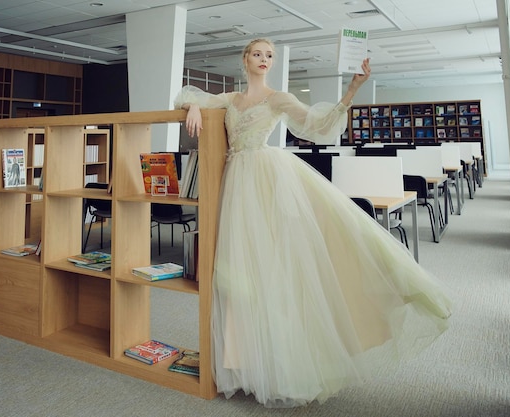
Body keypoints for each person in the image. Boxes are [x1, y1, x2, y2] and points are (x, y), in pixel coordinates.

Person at [174, 38, 451, 408]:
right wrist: (193, 106)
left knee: (274, 270)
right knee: (237, 275)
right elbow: (188, 96)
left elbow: (316, 124)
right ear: (244, 59)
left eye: (269, 55)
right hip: (234, 183)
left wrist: (352, 88)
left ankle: (280, 364)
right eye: (258, 54)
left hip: (263, 180)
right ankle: (242, 363)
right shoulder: (231, 99)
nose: (264, 60)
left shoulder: (277, 98)